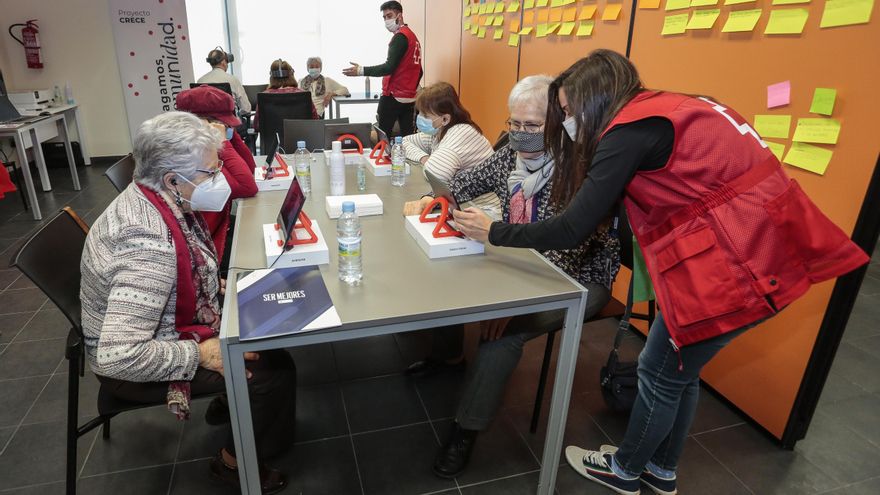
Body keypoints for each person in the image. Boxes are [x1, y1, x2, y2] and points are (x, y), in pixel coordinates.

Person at [453, 50, 869, 495]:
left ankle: (625, 469)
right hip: (758, 247)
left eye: (569, 112)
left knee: (658, 373)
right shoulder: (672, 107)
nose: (567, 123)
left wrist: (494, 231)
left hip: (734, 264)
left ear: (595, 101)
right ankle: (662, 468)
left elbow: (573, 229)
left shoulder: (626, 132)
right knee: (680, 372)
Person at [403, 75, 621, 479]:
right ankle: (449, 356)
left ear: (557, 122)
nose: (520, 134)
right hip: (522, 257)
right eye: (514, 124)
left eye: (531, 125)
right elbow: (462, 183)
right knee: (448, 274)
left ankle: (465, 431)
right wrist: (432, 198)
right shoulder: (512, 156)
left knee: (502, 335)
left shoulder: (582, 172)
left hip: (579, 278)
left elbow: (565, 254)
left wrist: (513, 304)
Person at [80, 111, 297, 494]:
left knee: (259, 332)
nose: (219, 179)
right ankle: (233, 463)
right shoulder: (148, 243)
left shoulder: (154, 198)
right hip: (131, 365)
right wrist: (201, 354)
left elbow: (182, 270)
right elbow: (118, 357)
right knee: (272, 370)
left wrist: (213, 284)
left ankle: (233, 408)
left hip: (157, 325)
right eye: (210, 173)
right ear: (172, 180)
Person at [176, 85, 258, 263]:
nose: (226, 127)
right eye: (222, 123)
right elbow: (247, 187)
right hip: (204, 247)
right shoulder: (190, 154)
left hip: (219, 226)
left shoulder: (204, 144)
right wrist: (223, 141)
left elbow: (251, 168)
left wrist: (231, 136)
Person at [403, 82, 499, 217]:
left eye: (426, 115)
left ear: (445, 119)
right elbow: (404, 142)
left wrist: (431, 162)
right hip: (462, 204)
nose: (421, 118)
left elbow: (433, 174)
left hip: (486, 212)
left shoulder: (461, 134)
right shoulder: (439, 131)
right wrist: (424, 157)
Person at [343, 1, 422, 137]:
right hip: (410, 97)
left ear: (399, 15)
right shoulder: (413, 37)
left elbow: (388, 67)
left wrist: (361, 70)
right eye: (384, 17)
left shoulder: (400, 37)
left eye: (389, 15)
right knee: (408, 138)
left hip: (393, 95)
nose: (386, 20)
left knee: (383, 137)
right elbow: (420, 71)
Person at [254, 59, 319, 131]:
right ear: (291, 75)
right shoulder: (304, 95)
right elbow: (315, 122)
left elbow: (257, 126)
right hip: (301, 137)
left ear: (271, 76)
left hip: (273, 138)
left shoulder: (264, 97)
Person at [197, 47, 251, 113]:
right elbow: (246, 108)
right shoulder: (232, 80)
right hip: (229, 119)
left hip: (207, 119)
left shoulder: (200, 81)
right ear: (223, 62)